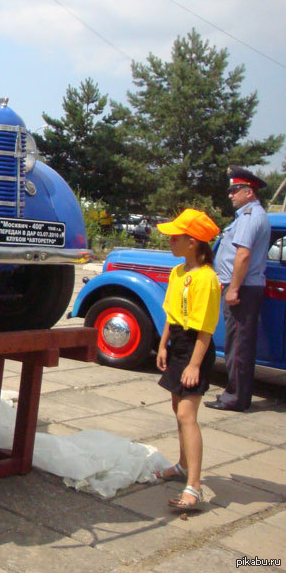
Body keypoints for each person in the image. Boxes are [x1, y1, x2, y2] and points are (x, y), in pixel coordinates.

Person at [153, 208, 221, 512]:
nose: (169, 240)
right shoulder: (178, 272)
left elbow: (205, 330)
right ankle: (182, 465)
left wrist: (194, 365)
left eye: (175, 236)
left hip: (196, 349)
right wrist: (164, 344)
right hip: (178, 344)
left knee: (186, 415)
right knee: (175, 406)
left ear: (192, 242)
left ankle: (193, 486)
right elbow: (170, 312)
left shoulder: (207, 279)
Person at [205, 166, 271, 413]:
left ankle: (236, 397)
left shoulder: (250, 216)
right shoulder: (250, 215)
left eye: (235, 190)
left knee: (239, 345)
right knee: (237, 343)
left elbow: (242, 255)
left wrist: (233, 289)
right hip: (242, 287)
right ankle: (236, 393)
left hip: (242, 290)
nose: (230, 195)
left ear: (249, 192)